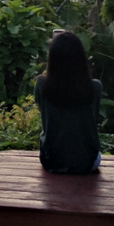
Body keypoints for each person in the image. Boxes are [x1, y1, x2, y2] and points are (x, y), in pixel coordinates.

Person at [34, 30, 102, 174]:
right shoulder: (95, 87)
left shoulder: (41, 85)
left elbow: (45, 115)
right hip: (87, 162)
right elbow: (93, 119)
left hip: (50, 160)